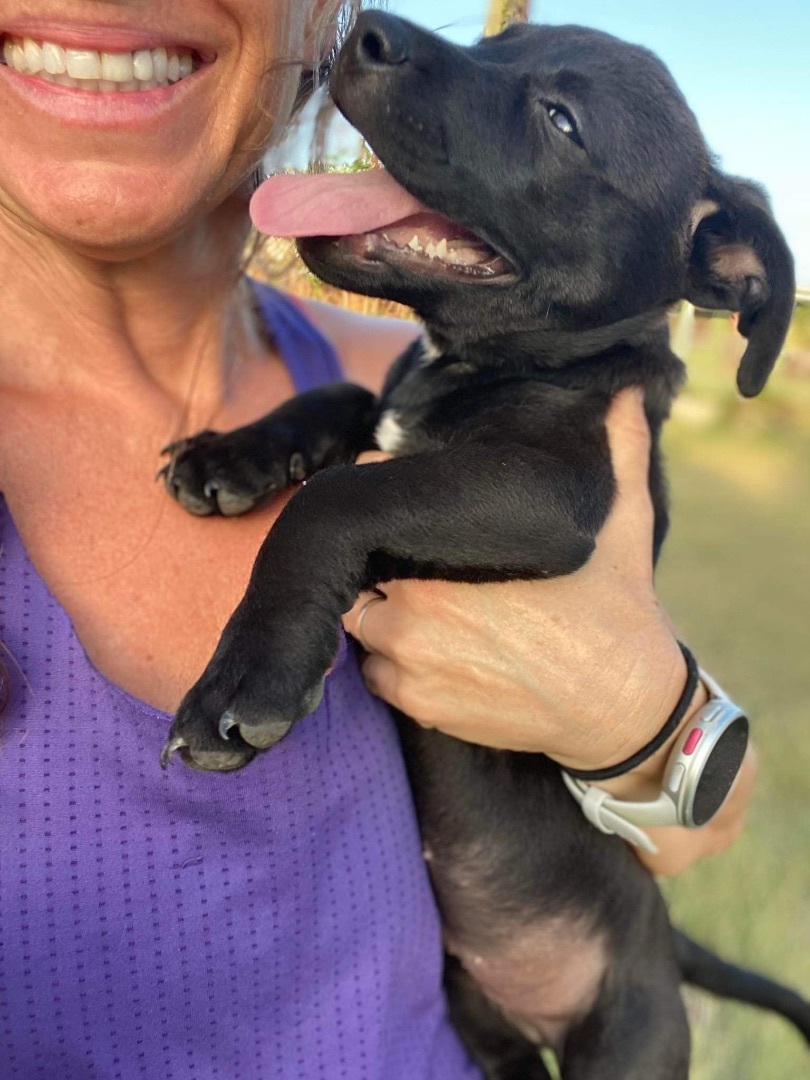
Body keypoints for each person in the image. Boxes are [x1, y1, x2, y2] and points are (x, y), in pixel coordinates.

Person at [0, 2, 756, 1077]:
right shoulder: (397, 396)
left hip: (580, 975)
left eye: (559, 119)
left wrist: (640, 713)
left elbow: (711, 817)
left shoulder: (444, 388)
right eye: (498, 57)